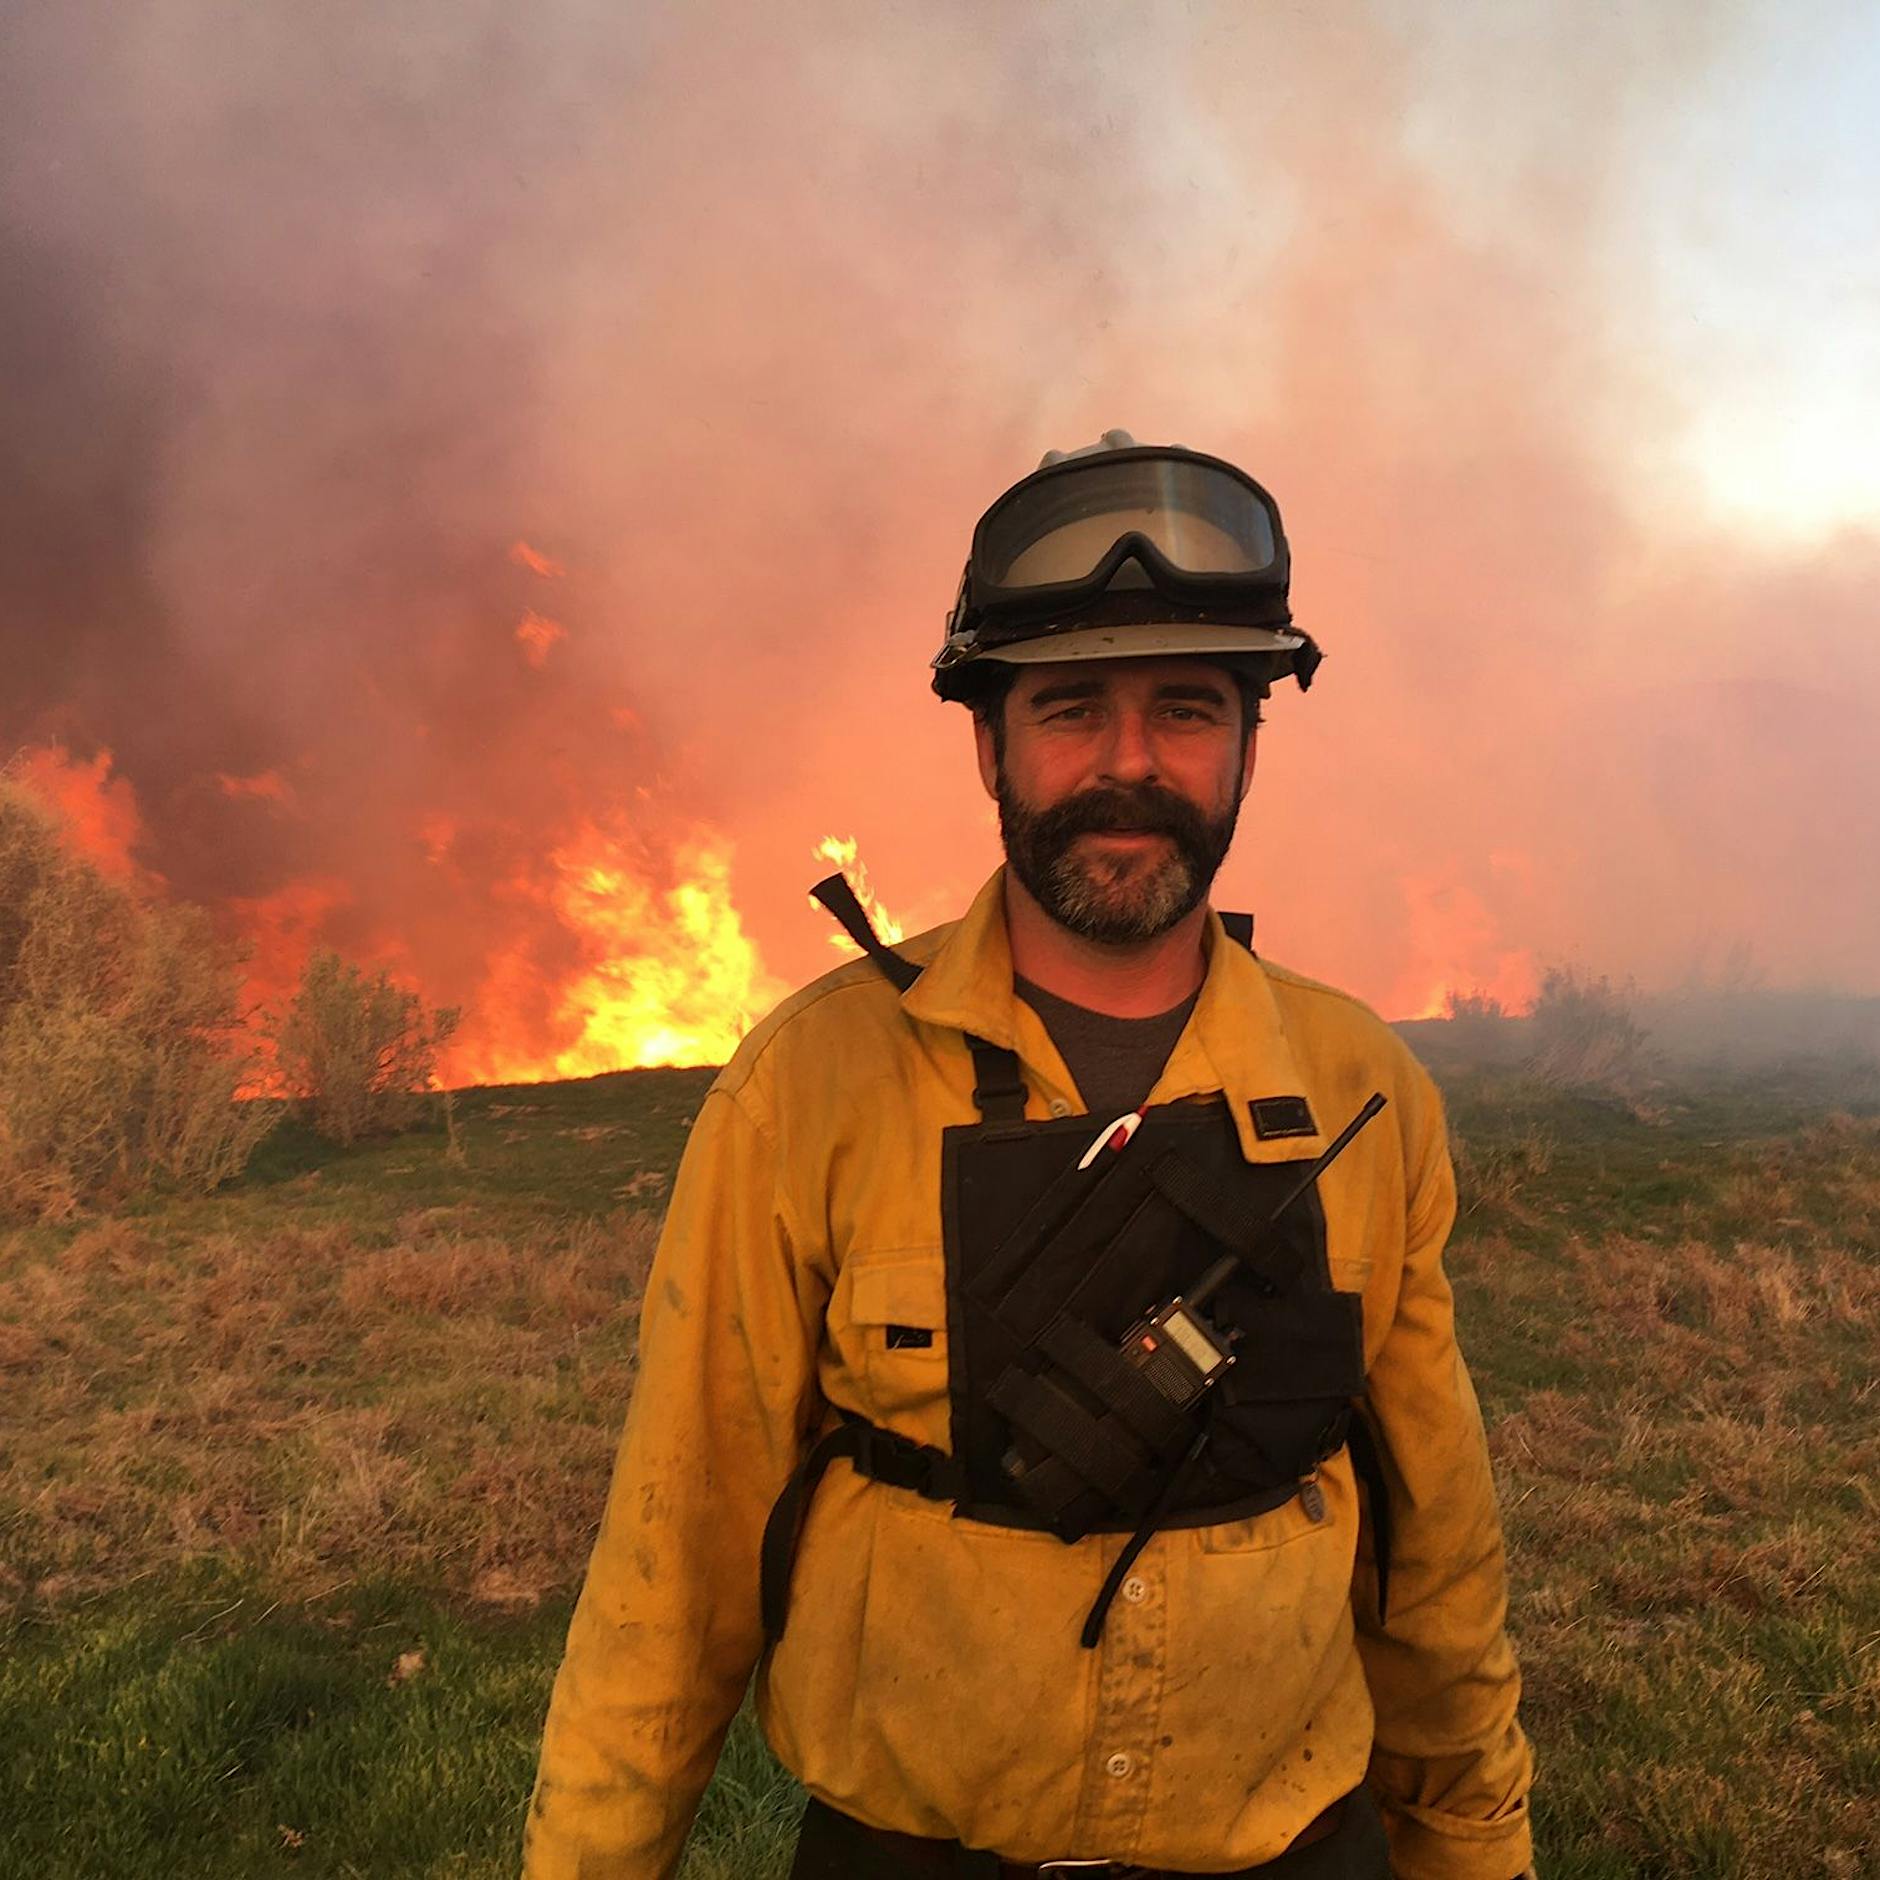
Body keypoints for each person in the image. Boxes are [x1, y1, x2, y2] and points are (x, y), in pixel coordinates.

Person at [524, 432, 1534, 1880]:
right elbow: (671, 1567)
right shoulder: (812, 1090)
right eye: (1071, 709)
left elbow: (1437, 1558)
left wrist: (1479, 1852)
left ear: (1252, 737)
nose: (1129, 765)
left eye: (1187, 708)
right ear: (987, 739)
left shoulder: (1362, 1088)